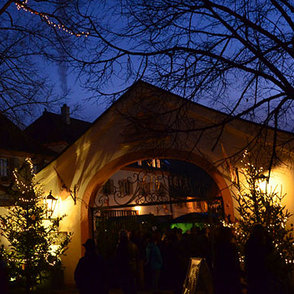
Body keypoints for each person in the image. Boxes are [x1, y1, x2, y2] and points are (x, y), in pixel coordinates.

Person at [245, 224, 288, 294]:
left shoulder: (250, 243)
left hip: (254, 273)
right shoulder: (259, 244)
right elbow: (269, 250)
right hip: (260, 272)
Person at [213, 226, 241, 294]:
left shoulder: (217, 246)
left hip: (221, 274)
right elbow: (234, 261)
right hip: (230, 275)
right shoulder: (230, 247)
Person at [115, 230, 139, 294]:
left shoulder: (120, 246)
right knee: (132, 285)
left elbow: (118, 259)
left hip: (124, 269)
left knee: (126, 287)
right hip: (132, 268)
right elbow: (137, 257)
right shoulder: (133, 245)